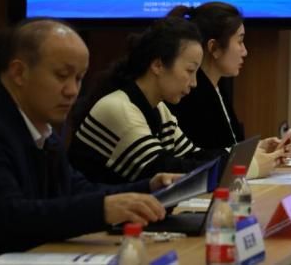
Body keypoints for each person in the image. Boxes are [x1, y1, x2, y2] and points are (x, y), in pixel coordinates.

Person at [0, 19, 170, 263]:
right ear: (19, 73)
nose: (72, 91)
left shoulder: (43, 131)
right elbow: (6, 218)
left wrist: (150, 188)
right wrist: (102, 210)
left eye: (79, 78)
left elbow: (78, 191)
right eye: (62, 76)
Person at [69, 17, 226, 184]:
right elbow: (163, 170)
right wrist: (236, 165)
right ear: (158, 65)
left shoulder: (159, 109)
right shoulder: (117, 108)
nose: (194, 83)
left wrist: (235, 156)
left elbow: (192, 155)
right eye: (190, 70)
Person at [167, 2, 291, 177]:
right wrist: (252, 163)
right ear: (214, 48)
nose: (245, 52)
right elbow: (200, 160)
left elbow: (225, 149)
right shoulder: (190, 97)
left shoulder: (218, 87)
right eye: (240, 41)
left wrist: (257, 149)